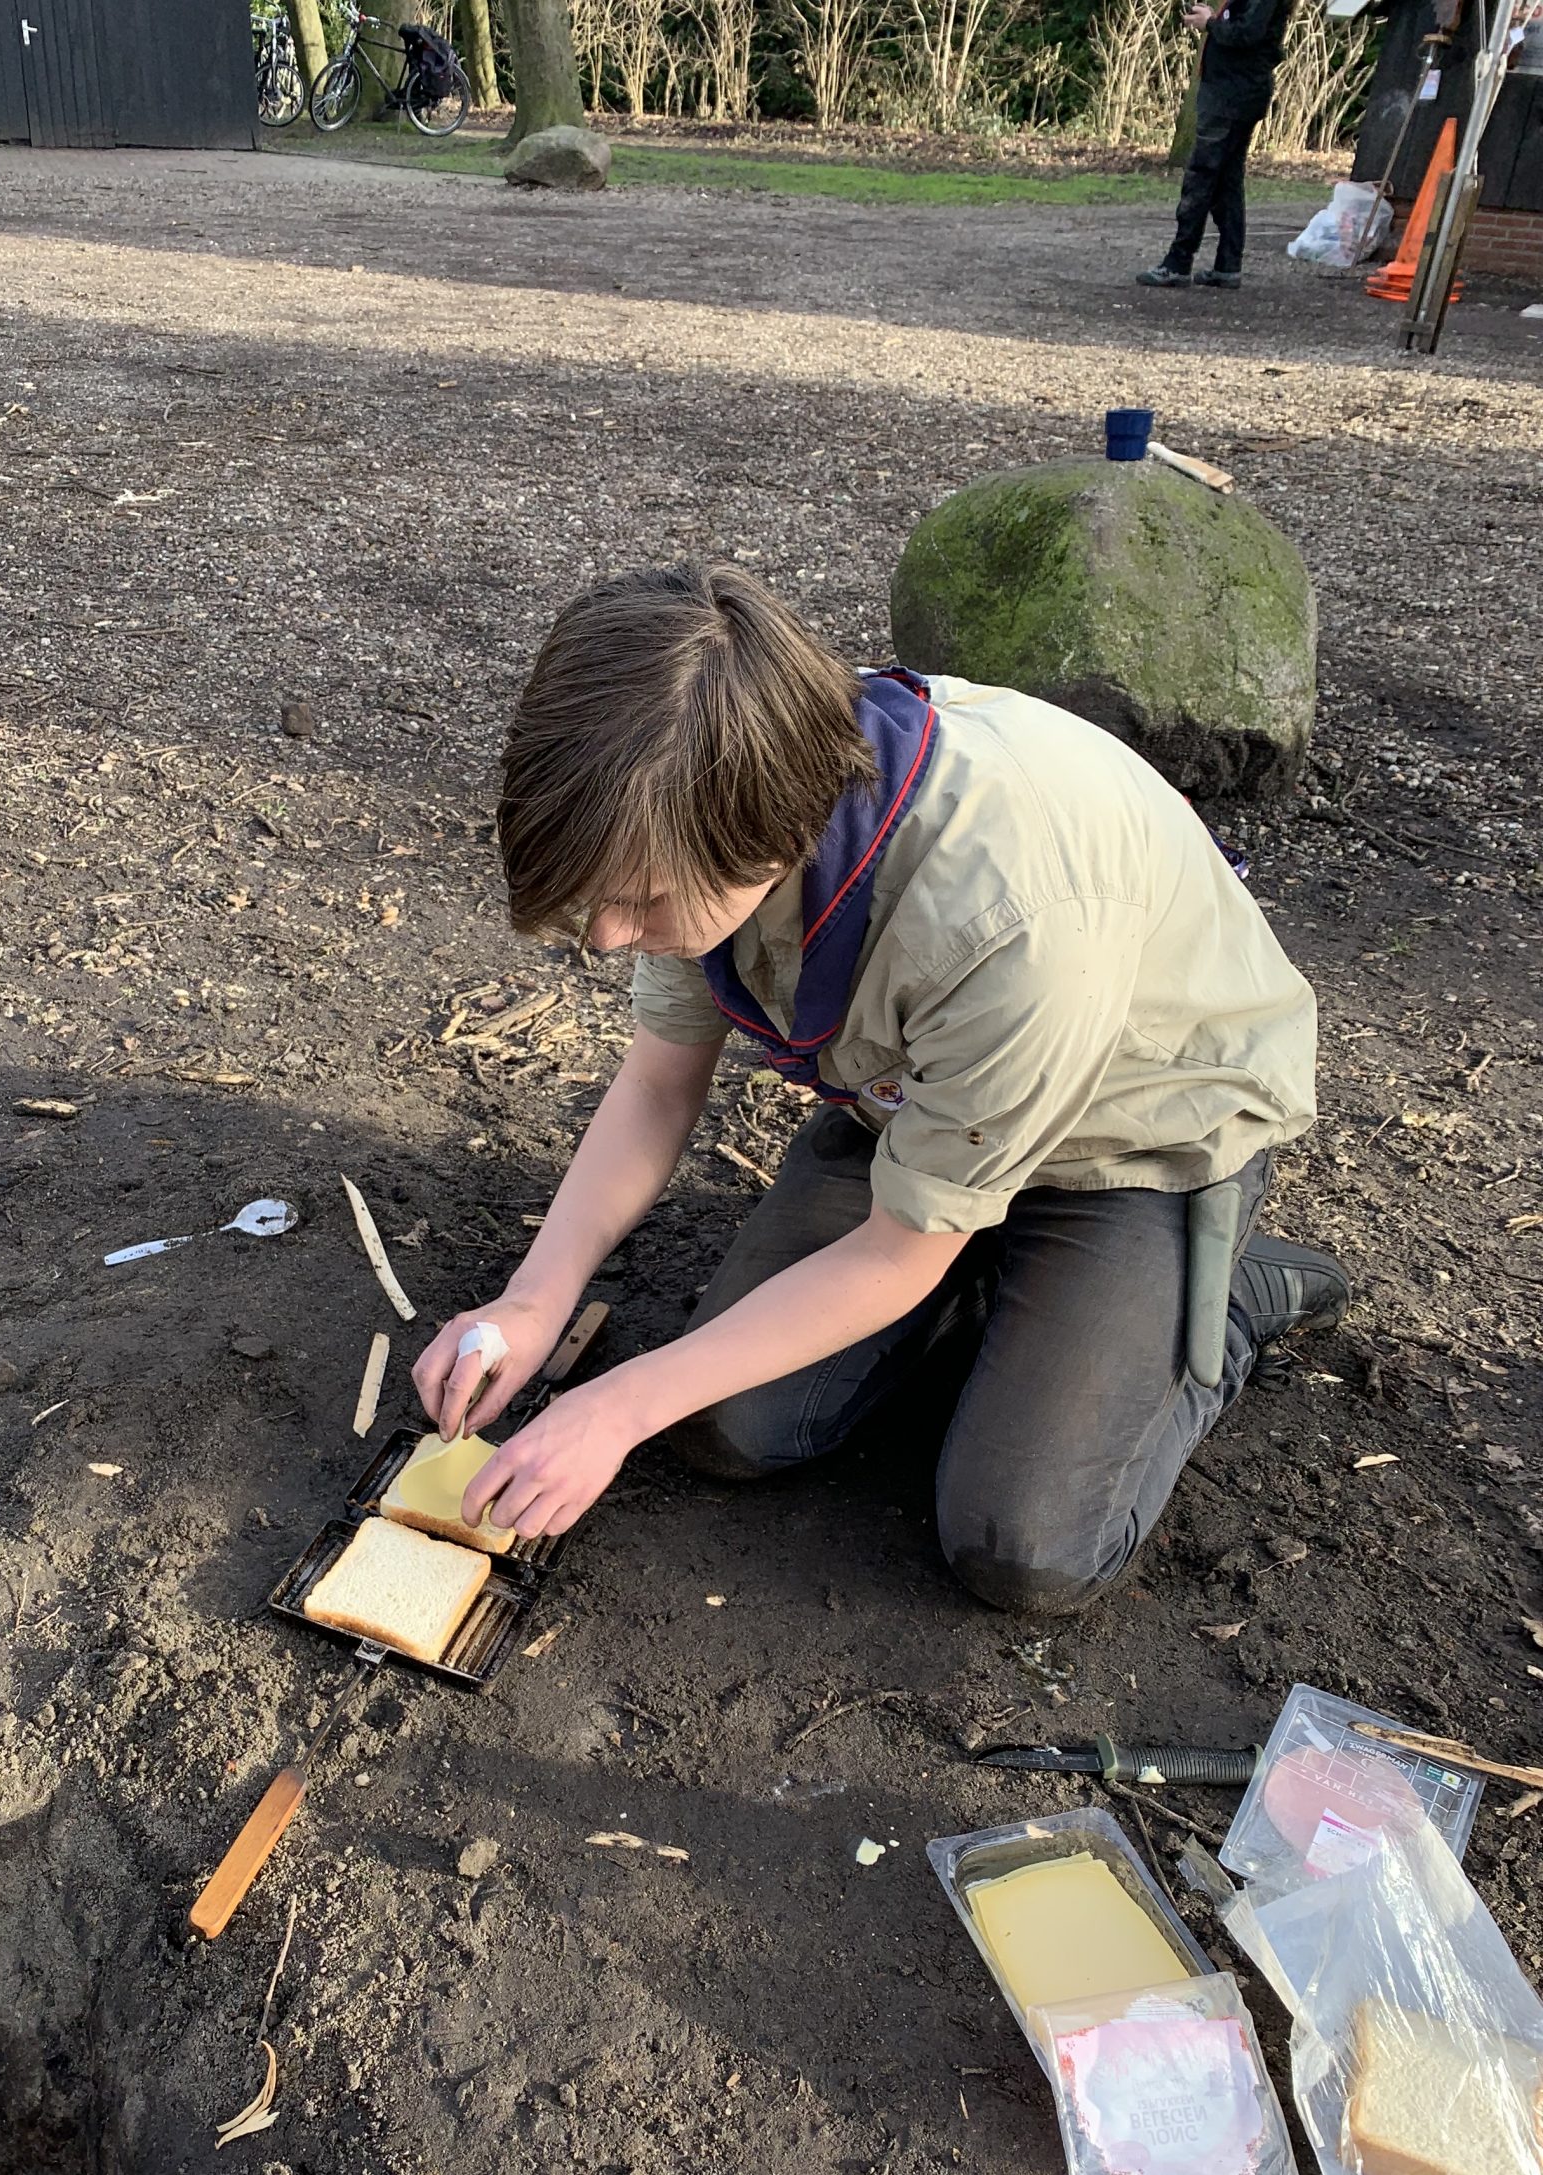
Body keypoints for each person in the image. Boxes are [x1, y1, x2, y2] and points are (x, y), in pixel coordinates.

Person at [412, 564, 1345, 1616]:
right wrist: (535, 1299)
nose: (614, 935)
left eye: (639, 904)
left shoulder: (1006, 915)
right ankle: (995, 1287)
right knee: (732, 1421)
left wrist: (617, 1403)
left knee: (1025, 1544)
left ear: (765, 835)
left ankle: (1217, 1301)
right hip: (926, 1113)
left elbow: (901, 1250)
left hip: (1130, 1141)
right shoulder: (694, 772)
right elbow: (659, 1085)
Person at [1137, 0, 1295, 290]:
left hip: (1232, 93)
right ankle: (1227, 264)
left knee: (1202, 176)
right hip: (1238, 90)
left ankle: (1178, 261)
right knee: (1227, 180)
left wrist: (1210, 23)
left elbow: (1247, 33)